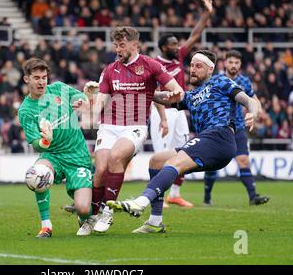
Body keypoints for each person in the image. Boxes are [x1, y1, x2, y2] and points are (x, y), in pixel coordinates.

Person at [107, 50, 260, 233]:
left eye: (198, 66)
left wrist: (253, 112)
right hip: (207, 141)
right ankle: (155, 222)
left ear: (210, 69)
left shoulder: (221, 81)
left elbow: (248, 100)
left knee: (173, 163)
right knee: (157, 160)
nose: (192, 70)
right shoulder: (190, 95)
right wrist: (130, 87)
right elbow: (159, 97)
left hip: (220, 137)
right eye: (192, 66)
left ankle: (141, 202)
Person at [88, 26, 183, 233]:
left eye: (122, 45)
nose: (118, 49)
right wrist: (90, 111)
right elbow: (100, 101)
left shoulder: (151, 65)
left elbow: (176, 88)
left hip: (135, 127)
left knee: (115, 157)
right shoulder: (109, 70)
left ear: (134, 44)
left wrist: (176, 94)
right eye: (115, 45)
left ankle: (107, 212)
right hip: (108, 126)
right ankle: (91, 216)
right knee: (100, 170)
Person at [18, 58, 94, 237]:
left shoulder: (59, 89)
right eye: (36, 78)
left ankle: (84, 216)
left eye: (44, 77)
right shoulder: (25, 110)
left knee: (84, 209)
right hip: (53, 155)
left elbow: (84, 102)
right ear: (26, 79)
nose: (41, 82)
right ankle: (46, 225)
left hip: (78, 155)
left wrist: (88, 96)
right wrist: (45, 141)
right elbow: (36, 144)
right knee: (37, 173)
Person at [150, 0, 213, 208]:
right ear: (162, 47)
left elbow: (195, 35)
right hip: (163, 110)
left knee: (182, 148)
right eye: (173, 44)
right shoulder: (154, 64)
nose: (178, 47)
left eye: (178, 43)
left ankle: (174, 194)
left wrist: (207, 13)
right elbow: (154, 93)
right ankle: (158, 192)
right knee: (162, 153)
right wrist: (162, 119)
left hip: (179, 110)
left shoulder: (178, 58)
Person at [203, 50, 270, 206]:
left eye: (236, 63)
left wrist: (257, 111)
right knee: (212, 164)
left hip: (238, 127)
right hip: (217, 128)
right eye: (231, 62)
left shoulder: (244, 81)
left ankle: (253, 197)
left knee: (243, 160)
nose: (233, 65)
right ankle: (207, 197)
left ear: (240, 64)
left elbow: (253, 98)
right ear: (225, 63)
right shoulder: (216, 80)